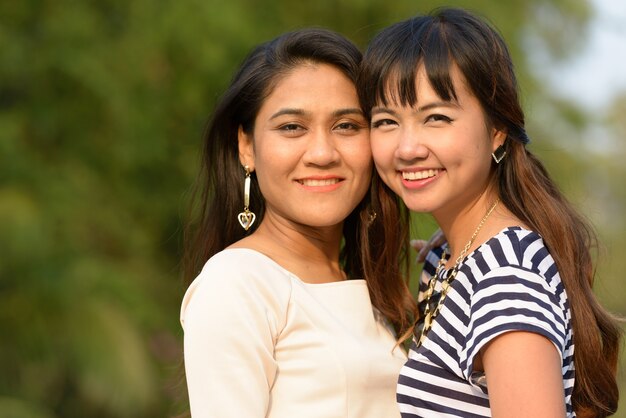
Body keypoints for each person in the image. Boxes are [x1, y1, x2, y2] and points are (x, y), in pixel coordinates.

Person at [358, 7, 622, 418]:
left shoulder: (504, 279)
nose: (407, 148)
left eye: (436, 118)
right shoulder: (460, 257)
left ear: (497, 128)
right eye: (387, 121)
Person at [180, 28, 416, 418]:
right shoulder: (237, 283)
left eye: (346, 126)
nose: (322, 153)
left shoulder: (362, 284)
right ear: (246, 146)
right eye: (292, 127)